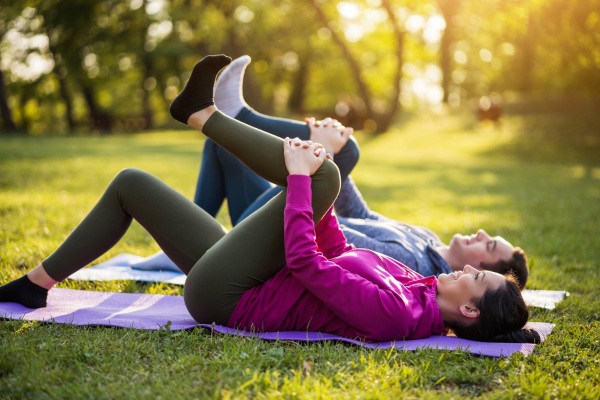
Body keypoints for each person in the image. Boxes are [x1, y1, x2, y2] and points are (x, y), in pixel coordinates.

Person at [0, 55, 539, 344]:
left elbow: (306, 264)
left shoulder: (396, 313)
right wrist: (311, 189)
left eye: (476, 276)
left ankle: (204, 114)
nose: (466, 270)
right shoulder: (417, 288)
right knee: (131, 183)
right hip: (249, 275)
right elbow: (333, 247)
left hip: (228, 298)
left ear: (468, 308)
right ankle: (35, 285)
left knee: (324, 178)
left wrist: (306, 182)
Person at [132, 55, 529, 289]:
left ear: (475, 271)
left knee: (348, 150)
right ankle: (176, 247)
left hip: (272, 234)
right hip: (273, 223)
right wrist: (332, 158)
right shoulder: (426, 240)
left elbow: (331, 238)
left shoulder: (419, 266)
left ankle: (238, 113)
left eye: (489, 245)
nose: (481, 233)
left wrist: (328, 155)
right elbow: (362, 215)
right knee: (220, 144)